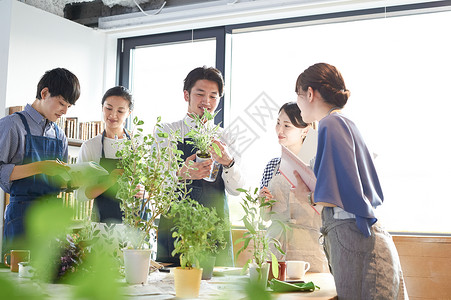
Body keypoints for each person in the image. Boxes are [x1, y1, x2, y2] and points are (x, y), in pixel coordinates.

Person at [293, 62, 408, 299]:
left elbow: (336, 193)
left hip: (353, 237)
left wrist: (307, 195)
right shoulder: (345, 123)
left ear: (310, 93)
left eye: (298, 95)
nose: (297, 103)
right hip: (364, 235)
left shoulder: (330, 123)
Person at [156, 66, 245, 267]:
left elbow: (237, 190)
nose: (206, 101)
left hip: (215, 225)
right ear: (186, 95)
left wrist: (228, 162)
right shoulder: (167, 132)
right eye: (200, 94)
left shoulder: (226, 137)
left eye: (213, 96)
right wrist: (180, 173)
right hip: (176, 224)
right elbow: (157, 183)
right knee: (169, 289)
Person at [0, 68, 81, 250]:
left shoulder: (59, 135)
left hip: (52, 217)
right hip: (21, 216)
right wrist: (42, 167)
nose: (65, 111)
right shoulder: (12, 125)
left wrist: (73, 181)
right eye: (61, 103)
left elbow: (58, 180)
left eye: (69, 106)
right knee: (18, 276)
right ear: (44, 93)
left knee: (52, 276)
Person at [259, 102, 329, 273]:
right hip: (275, 247)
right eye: (278, 123)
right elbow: (265, 216)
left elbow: (328, 208)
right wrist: (264, 203)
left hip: (309, 247)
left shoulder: (319, 166)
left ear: (305, 130)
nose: (279, 130)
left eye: (287, 126)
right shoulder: (272, 166)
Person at [76, 86, 145, 224]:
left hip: (135, 225)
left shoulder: (139, 144)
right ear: (102, 108)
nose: (113, 115)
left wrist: (144, 191)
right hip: (102, 226)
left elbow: (152, 186)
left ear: (129, 113)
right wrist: (110, 181)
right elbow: (80, 195)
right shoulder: (90, 146)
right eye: (108, 108)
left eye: (120, 111)